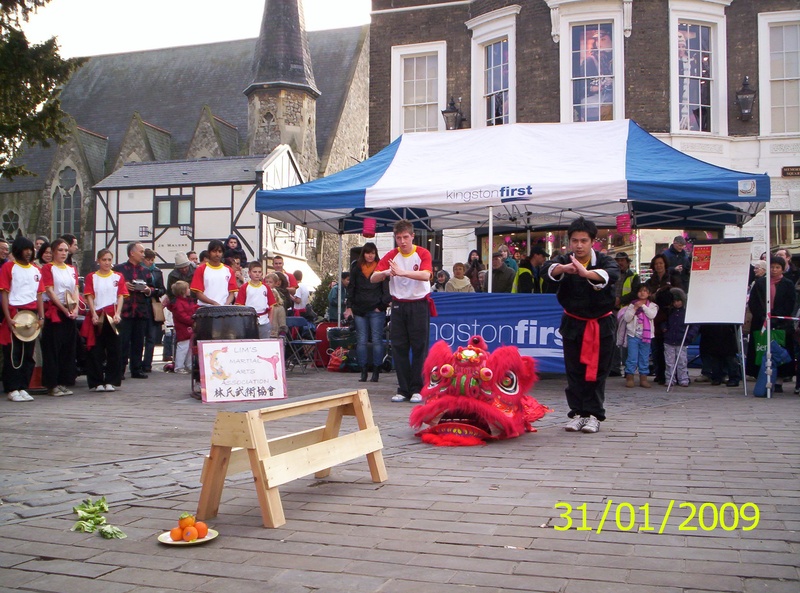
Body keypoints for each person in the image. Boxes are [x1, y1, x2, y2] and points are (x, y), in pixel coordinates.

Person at [544, 217, 619, 434]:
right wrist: (563, 268)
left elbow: (611, 275)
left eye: (583, 241)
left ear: (593, 241)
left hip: (601, 325)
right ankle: (578, 413)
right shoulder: (564, 260)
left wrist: (586, 274)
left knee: (598, 371)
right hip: (573, 324)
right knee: (574, 370)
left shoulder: (605, 261)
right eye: (575, 240)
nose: (579, 245)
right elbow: (548, 270)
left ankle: (594, 414)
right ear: (569, 241)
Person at [372, 220, 433, 403]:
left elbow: (426, 275)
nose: (402, 241)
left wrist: (402, 272)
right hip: (398, 305)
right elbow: (373, 277)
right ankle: (403, 388)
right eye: (398, 238)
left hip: (419, 304)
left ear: (412, 236)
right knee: (399, 347)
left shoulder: (422, 253)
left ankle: (417, 388)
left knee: (419, 347)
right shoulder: (391, 255)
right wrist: (386, 273)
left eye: (405, 237)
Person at [0, 236, 43, 401]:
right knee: (13, 352)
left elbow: (39, 295)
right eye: (25, 249)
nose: (28, 253)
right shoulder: (8, 268)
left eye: (30, 250)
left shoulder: (36, 270)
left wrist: (41, 316)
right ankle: (12, 388)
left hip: (31, 314)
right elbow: (4, 293)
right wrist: (8, 316)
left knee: (28, 352)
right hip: (15, 311)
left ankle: (23, 385)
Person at [37, 238, 79, 397]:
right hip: (55, 311)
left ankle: (63, 381)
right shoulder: (48, 268)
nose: (63, 253)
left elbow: (75, 288)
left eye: (65, 250)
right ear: (53, 252)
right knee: (53, 348)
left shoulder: (71, 269)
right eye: (60, 250)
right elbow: (49, 291)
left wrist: (74, 308)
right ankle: (52, 383)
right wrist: (63, 308)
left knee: (67, 348)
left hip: (70, 309)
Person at [81, 249, 127, 391]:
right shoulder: (92, 277)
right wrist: (93, 313)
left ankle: (111, 380)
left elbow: (120, 296)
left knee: (114, 349)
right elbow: (89, 296)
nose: (107, 262)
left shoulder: (118, 276)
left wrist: (118, 313)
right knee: (96, 350)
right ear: (98, 261)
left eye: (109, 260)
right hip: (98, 314)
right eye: (104, 260)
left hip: (112, 316)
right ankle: (96, 381)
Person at [345, 242, 391, 383]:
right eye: (367, 253)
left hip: (376, 309)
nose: (370, 256)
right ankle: (363, 371)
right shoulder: (356, 268)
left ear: (375, 253)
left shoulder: (381, 267)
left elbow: (386, 289)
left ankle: (376, 370)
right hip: (359, 309)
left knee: (377, 341)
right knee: (361, 341)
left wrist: (381, 305)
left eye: (372, 253)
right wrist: (349, 306)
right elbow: (351, 288)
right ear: (363, 254)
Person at [746, 256, 794, 386]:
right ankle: (761, 377)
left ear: (782, 269)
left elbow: (790, 303)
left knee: (781, 350)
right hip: (762, 321)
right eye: (772, 267)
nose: (774, 270)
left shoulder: (787, 284)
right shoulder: (761, 283)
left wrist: (777, 315)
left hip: (780, 323)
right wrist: (762, 315)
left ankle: (779, 379)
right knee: (761, 349)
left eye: (777, 267)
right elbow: (754, 302)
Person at [114, 242, 155, 379]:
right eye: (141, 252)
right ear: (132, 253)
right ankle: (119, 369)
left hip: (141, 310)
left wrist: (148, 290)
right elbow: (111, 284)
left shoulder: (146, 271)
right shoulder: (119, 269)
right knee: (123, 341)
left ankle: (136, 368)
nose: (143, 255)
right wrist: (123, 285)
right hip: (125, 310)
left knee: (138, 341)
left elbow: (156, 289)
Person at [646, 254, 681, 385]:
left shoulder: (673, 278)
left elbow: (679, 293)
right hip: (656, 315)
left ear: (665, 264)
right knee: (657, 347)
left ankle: (673, 374)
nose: (658, 266)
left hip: (671, 315)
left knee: (672, 347)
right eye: (656, 264)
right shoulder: (650, 281)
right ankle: (659, 373)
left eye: (660, 263)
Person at [622, 284, 658, 388]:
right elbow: (627, 318)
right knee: (632, 357)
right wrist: (635, 308)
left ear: (649, 294)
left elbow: (651, 315)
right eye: (640, 291)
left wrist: (642, 306)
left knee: (644, 357)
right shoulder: (632, 305)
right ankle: (629, 376)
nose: (642, 293)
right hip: (633, 335)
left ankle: (643, 378)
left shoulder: (652, 305)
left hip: (646, 336)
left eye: (645, 291)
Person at [662, 288, 699, 387]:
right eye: (674, 301)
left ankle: (683, 378)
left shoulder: (687, 313)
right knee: (669, 362)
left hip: (682, 340)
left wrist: (690, 336)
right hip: (669, 340)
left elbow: (694, 326)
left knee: (682, 361)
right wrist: (664, 328)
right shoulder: (669, 312)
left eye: (678, 301)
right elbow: (664, 321)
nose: (676, 303)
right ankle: (670, 379)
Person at [612, 251, 640, 376]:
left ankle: (629, 369)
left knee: (627, 340)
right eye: (618, 260)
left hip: (627, 311)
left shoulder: (634, 276)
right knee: (613, 339)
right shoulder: (611, 275)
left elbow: (635, 293)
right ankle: (614, 368)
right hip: (612, 310)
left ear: (627, 262)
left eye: (622, 260)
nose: (619, 263)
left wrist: (620, 300)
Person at [190, 240, 237, 307]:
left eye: (220, 251)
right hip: (205, 308)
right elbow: (198, 293)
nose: (217, 254)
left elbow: (231, 293)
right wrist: (214, 303)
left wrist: (225, 305)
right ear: (209, 252)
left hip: (225, 310)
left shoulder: (229, 270)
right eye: (214, 251)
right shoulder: (200, 269)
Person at [235, 262, 275, 339]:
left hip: (264, 321)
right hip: (249, 321)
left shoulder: (266, 287)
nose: (257, 274)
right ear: (249, 273)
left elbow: (271, 306)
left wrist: (270, 321)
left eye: (259, 272)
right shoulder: (245, 287)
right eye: (255, 272)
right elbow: (239, 306)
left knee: (264, 344)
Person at [142, 249, 166, 374]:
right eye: (148, 260)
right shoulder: (138, 270)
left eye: (152, 260)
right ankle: (136, 363)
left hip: (152, 304)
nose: (150, 262)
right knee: (139, 337)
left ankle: (147, 364)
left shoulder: (157, 272)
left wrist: (152, 290)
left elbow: (162, 290)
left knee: (151, 337)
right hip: (140, 305)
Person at [167, 281, 197, 374]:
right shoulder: (179, 303)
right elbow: (181, 315)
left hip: (188, 327)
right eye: (187, 288)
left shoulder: (185, 301)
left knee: (189, 347)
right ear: (183, 291)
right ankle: (179, 366)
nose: (189, 290)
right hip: (183, 328)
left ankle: (188, 365)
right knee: (183, 347)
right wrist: (193, 320)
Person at [265, 272, 288, 338]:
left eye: (270, 282)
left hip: (276, 334)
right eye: (266, 282)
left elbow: (282, 324)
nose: (268, 283)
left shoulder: (279, 308)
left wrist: (282, 335)